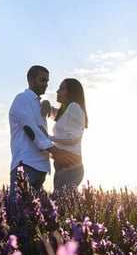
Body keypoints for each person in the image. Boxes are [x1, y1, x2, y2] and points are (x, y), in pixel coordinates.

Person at [8, 65, 79, 201]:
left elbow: (63, 118)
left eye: (47, 81)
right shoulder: (22, 99)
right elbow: (31, 130)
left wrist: (46, 102)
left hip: (41, 168)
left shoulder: (39, 104)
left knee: (32, 218)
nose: (45, 85)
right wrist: (56, 151)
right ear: (30, 79)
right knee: (17, 214)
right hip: (25, 166)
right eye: (42, 80)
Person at [43, 78, 88, 192]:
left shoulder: (74, 107)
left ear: (71, 92)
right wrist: (46, 102)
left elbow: (74, 137)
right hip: (62, 163)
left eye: (62, 88)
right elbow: (53, 113)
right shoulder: (66, 110)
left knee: (58, 203)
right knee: (60, 204)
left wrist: (47, 137)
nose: (57, 91)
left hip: (71, 164)